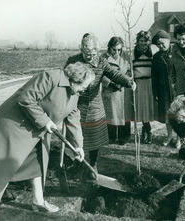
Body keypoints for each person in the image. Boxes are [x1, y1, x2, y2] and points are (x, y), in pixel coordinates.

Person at [0, 62, 95, 221]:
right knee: (6, 166)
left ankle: (38, 200)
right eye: (85, 85)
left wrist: (78, 146)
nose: (86, 89)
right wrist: (45, 121)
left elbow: (73, 120)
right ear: (76, 79)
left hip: (36, 126)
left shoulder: (74, 94)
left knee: (37, 161)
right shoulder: (51, 77)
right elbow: (26, 98)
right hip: (14, 122)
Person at [64, 33, 136, 174]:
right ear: (82, 49)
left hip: (95, 106)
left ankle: (93, 164)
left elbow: (114, 74)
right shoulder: (73, 61)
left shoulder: (101, 62)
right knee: (75, 136)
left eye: (92, 53)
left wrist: (128, 81)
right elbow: (64, 79)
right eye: (86, 53)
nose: (89, 56)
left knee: (94, 138)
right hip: (76, 105)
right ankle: (77, 162)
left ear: (97, 51)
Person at [101, 36, 133, 145]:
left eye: (119, 49)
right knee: (111, 114)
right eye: (114, 49)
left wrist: (125, 81)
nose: (117, 52)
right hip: (110, 91)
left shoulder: (125, 58)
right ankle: (111, 137)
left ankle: (124, 137)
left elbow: (129, 72)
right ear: (109, 47)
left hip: (123, 91)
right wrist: (112, 83)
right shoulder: (103, 59)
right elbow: (100, 74)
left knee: (124, 113)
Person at [133, 30, 158, 144]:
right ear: (138, 41)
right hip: (138, 83)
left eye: (146, 41)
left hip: (150, 82)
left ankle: (147, 131)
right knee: (141, 108)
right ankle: (147, 130)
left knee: (148, 109)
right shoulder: (133, 52)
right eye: (141, 41)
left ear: (149, 41)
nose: (143, 43)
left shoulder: (153, 50)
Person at [151, 30, 174, 146]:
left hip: (175, 90)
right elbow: (153, 76)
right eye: (158, 44)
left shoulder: (176, 53)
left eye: (162, 42)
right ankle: (169, 136)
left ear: (168, 41)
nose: (160, 45)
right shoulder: (156, 57)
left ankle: (180, 138)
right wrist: (155, 91)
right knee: (167, 115)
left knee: (178, 114)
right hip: (163, 91)